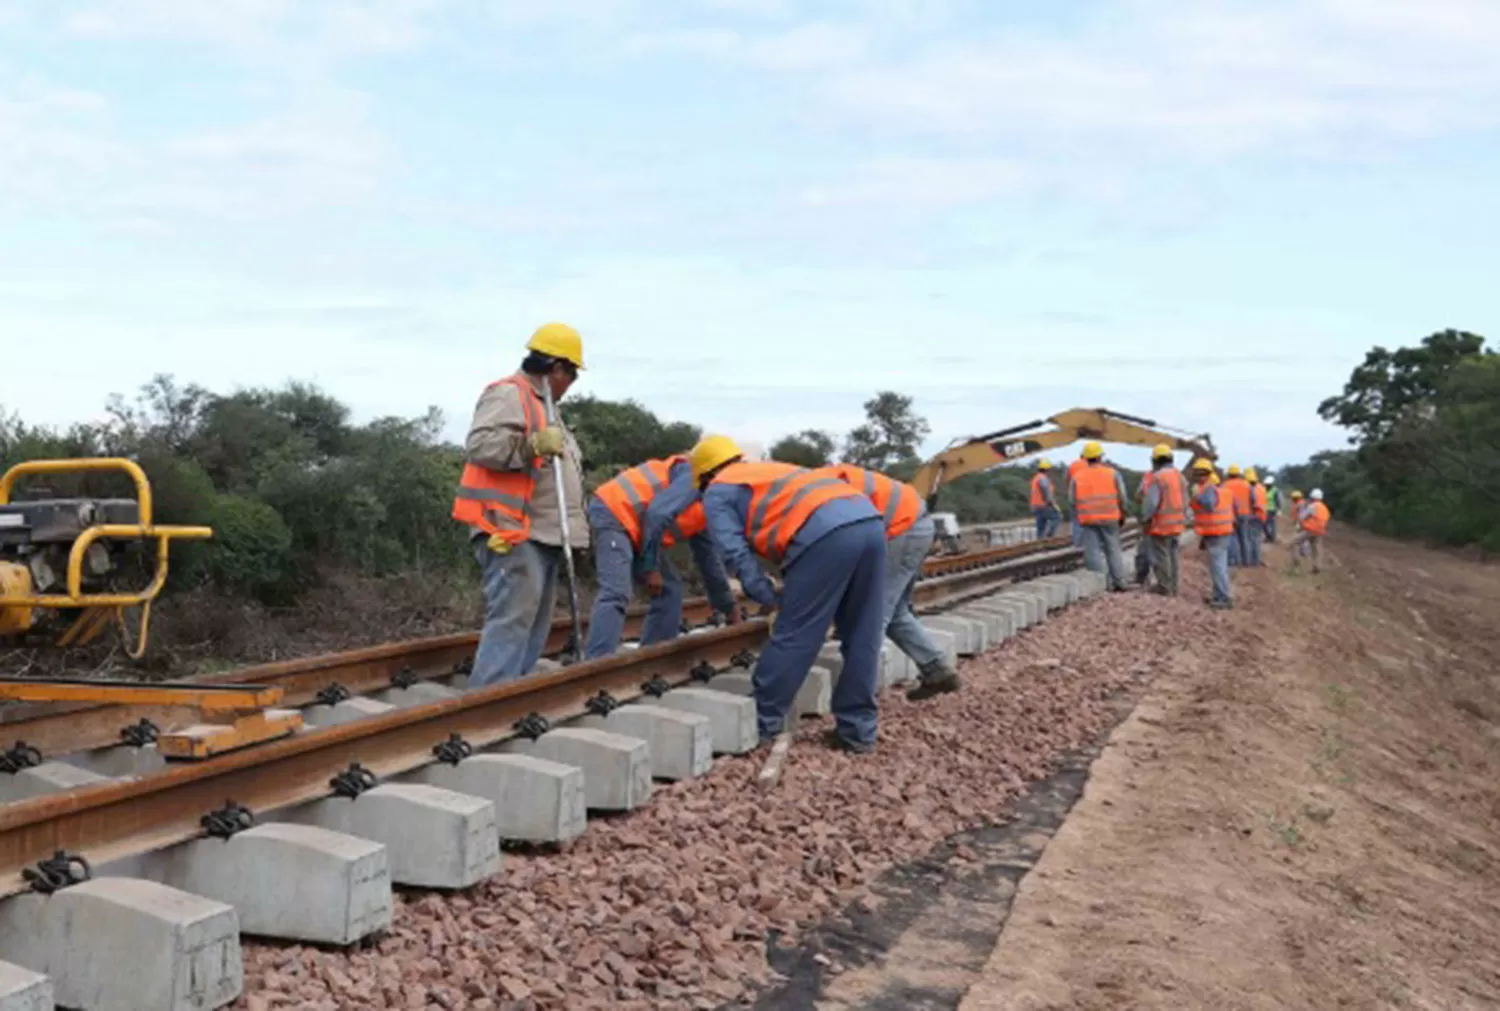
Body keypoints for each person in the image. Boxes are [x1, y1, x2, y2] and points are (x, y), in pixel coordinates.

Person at [693, 436, 886, 753]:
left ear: (704, 476)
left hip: (827, 534)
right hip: (869, 521)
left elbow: (734, 553)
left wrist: (765, 594)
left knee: (796, 632)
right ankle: (858, 731)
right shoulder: (772, 470)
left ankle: (761, 723)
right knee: (863, 631)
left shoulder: (717, 491)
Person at [454, 323, 589, 688]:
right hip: (511, 529)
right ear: (556, 368)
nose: (572, 383)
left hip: (541, 533)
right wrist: (530, 447)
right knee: (513, 621)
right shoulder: (509, 395)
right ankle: (488, 703)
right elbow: (481, 447)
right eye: (572, 373)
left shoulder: (547, 407)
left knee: (533, 624)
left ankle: (514, 698)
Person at [823, 463, 962, 701]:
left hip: (903, 528)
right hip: (915, 524)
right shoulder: (824, 481)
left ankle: (856, 702)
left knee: (873, 614)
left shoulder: (819, 492)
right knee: (895, 611)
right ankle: (936, 669)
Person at [584, 455, 740, 659]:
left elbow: (709, 560)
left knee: (670, 589)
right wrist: (651, 567)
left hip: (642, 530)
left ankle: (653, 660)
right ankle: (596, 663)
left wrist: (728, 606)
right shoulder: (691, 479)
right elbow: (656, 516)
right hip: (614, 511)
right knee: (616, 591)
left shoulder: (707, 506)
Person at [1067, 441, 1129, 591]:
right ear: (1101, 457)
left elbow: (1071, 500)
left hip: (1088, 519)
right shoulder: (1112, 473)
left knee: (1092, 551)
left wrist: (1080, 514)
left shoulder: (1078, 476)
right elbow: (1122, 496)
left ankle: (1099, 584)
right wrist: (1123, 513)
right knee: (1113, 549)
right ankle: (1119, 582)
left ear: (1086, 458)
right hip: (1110, 518)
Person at [1140, 444, 1188, 596]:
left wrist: (1146, 519)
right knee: (1173, 556)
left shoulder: (1158, 477)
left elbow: (1152, 503)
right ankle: (1173, 587)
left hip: (1162, 524)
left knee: (1162, 556)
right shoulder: (1180, 477)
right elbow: (1185, 501)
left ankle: (1164, 587)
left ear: (1155, 461)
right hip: (1177, 524)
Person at [1189, 458, 1234, 609]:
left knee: (1218, 567)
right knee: (1219, 566)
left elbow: (1209, 505)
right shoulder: (1221, 490)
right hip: (1221, 532)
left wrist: (1196, 496)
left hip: (1216, 533)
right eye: (1198, 473)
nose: (1200, 476)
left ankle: (1223, 598)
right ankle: (1219, 595)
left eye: (1203, 473)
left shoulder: (1208, 489)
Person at [1291, 488, 1331, 574]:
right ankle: (1317, 567)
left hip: (1310, 529)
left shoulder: (1312, 506)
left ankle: (1296, 565)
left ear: (1312, 497)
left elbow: (1302, 517)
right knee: (1317, 549)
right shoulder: (1324, 508)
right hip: (1320, 531)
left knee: (1294, 542)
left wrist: (1301, 525)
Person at [1221, 464, 1253, 567]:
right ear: (1239, 474)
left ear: (1229, 474)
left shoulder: (1225, 485)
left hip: (1231, 515)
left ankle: (1233, 561)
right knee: (1244, 538)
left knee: (1232, 538)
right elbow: (1253, 499)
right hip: (1245, 514)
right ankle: (1246, 561)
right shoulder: (1247, 485)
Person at [1030, 460, 1061, 539]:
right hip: (1044, 505)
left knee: (1040, 527)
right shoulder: (1043, 478)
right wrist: (1053, 504)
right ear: (1047, 470)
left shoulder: (1036, 478)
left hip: (1035, 506)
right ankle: (1049, 535)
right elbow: (1046, 490)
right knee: (1057, 517)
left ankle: (1040, 543)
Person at [1066, 451, 1090, 548]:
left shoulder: (1073, 465)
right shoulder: (1090, 465)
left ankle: (1076, 544)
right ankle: (1084, 544)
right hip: (1087, 498)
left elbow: (1068, 479)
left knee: (1076, 522)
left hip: (1074, 496)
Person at [1246, 467, 1268, 567]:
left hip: (1255, 515)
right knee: (1256, 539)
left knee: (1252, 539)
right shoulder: (1261, 488)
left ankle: (1253, 561)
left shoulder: (1252, 490)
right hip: (1262, 516)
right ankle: (1256, 559)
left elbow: (1255, 504)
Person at [1263, 475, 1282, 543]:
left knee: (1271, 524)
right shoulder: (1263, 489)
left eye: (1268, 484)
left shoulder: (1275, 491)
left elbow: (1279, 500)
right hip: (1264, 509)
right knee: (1264, 524)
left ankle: (1272, 538)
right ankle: (1269, 536)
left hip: (1272, 509)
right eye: (1266, 484)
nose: (1267, 485)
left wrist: (1279, 509)